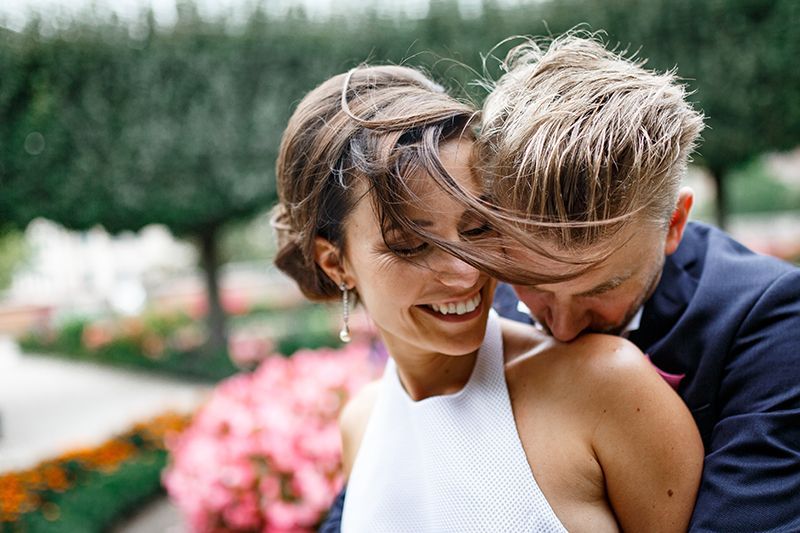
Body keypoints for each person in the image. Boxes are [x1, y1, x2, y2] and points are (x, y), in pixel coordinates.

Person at [274, 64, 703, 532]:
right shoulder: (361, 422)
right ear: (336, 263)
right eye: (411, 245)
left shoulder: (607, 385)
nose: (464, 273)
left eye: (477, 228)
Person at [470, 36, 800, 531]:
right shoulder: (479, 293)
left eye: (599, 289)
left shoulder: (770, 318)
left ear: (674, 224)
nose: (560, 329)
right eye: (531, 281)